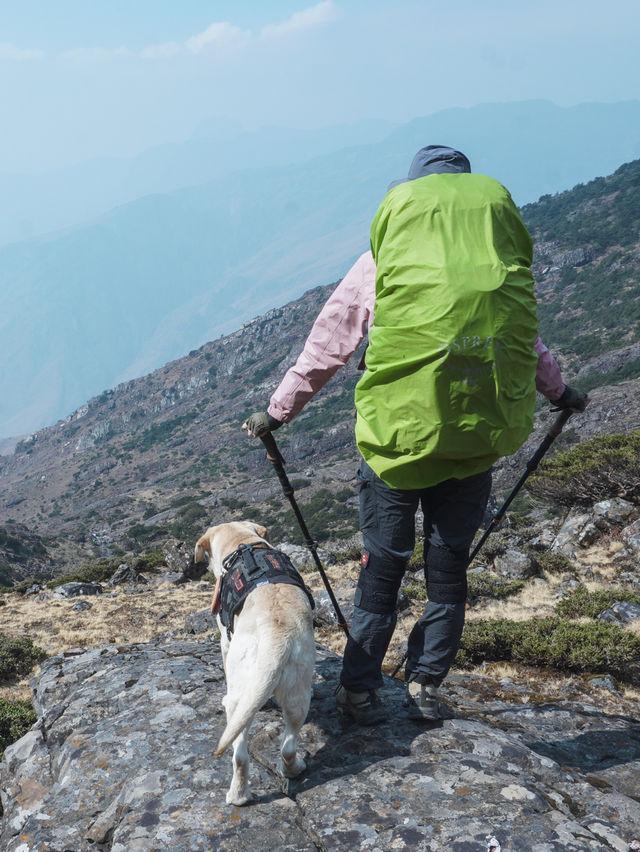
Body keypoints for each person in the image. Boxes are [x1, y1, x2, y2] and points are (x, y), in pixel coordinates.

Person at [243, 145, 588, 725]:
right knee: (449, 572)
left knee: (382, 570)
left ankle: (359, 691)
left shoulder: (382, 264)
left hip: (396, 447)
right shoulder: (494, 270)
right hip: (473, 444)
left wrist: (276, 414)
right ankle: (426, 685)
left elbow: (327, 348)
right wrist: (562, 395)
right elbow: (525, 345)